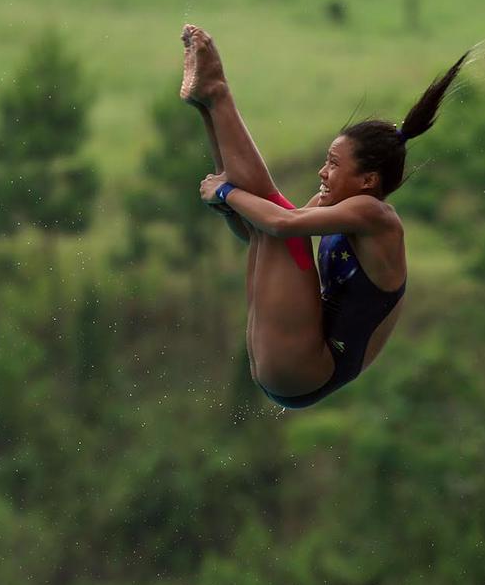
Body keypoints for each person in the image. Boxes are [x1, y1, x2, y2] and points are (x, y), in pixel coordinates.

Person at [180, 24, 467, 408]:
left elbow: (281, 224)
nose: (322, 172)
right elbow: (261, 233)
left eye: (332, 164)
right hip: (288, 365)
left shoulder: (374, 215)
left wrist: (228, 193)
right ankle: (207, 105)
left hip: (306, 368)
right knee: (271, 215)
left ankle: (215, 95)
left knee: (277, 214)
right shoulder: (340, 205)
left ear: (368, 179)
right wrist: (228, 203)